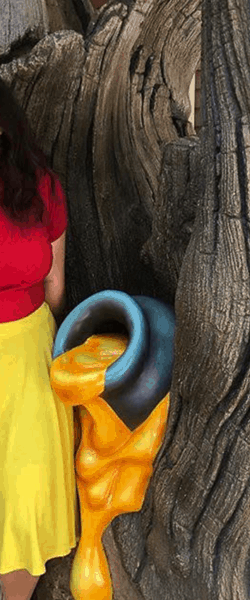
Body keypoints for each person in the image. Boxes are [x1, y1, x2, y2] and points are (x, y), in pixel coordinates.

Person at [0, 80, 76, 600]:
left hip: (29, 355)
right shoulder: (39, 187)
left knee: (24, 502)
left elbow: (56, 289)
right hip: (24, 345)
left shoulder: (43, 187)